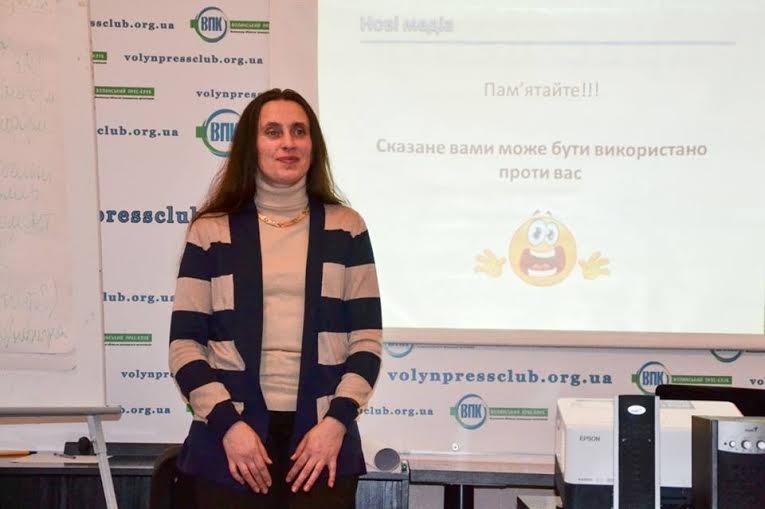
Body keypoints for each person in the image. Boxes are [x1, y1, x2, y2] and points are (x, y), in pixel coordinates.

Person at [168, 88, 382, 508]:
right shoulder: (211, 231)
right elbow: (184, 346)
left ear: (313, 146)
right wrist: (229, 425)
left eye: (299, 131)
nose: (288, 143)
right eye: (273, 132)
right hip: (230, 445)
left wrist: (336, 424)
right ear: (252, 146)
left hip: (322, 446)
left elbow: (367, 343)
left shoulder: (347, 228)